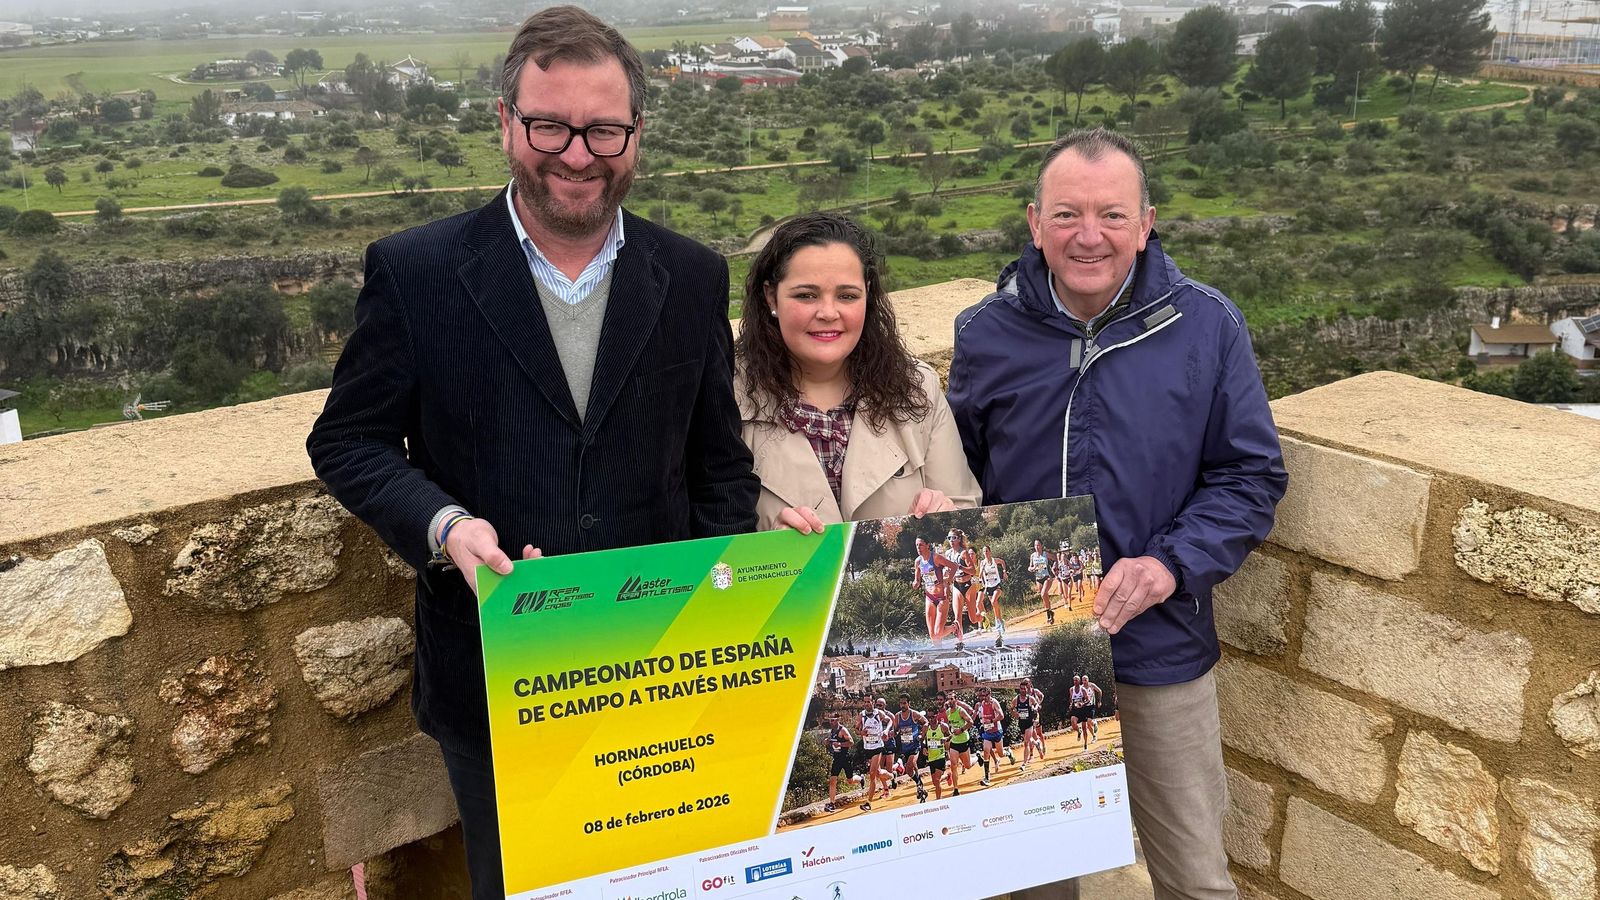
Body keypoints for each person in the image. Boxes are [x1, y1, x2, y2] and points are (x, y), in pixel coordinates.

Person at [304, 9, 760, 896]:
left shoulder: (693, 274)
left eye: (604, 129)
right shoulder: (418, 271)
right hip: (494, 671)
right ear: (506, 123)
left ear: (636, 133)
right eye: (550, 125)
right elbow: (349, 439)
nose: (578, 154)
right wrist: (447, 527)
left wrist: (716, 608)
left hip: (660, 666)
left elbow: (718, 464)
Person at [948, 128, 1287, 900]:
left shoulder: (1206, 326)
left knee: (1195, 876)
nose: (1088, 236)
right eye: (1067, 214)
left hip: (1160, 646)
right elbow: (961, 475)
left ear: (1146, 222)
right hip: (1033, 646)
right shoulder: (986, 332)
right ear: (1033, 223)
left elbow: (1249, 474)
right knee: (1034, 880)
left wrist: (1171, 564)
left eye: (1111, 214)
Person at [732, 212, 980, 534]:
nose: (828, 313)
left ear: (868, 296)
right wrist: (768, 552)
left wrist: (947, 515)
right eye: (806, 295)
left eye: (847, 296)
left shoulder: (917, 388)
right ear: (771, 297)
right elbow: (707, 546)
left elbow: (964, 507)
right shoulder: (728, 396)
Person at [912, 537, 959, 645]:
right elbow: (917, 580)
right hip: (929, 597)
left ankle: (954, 627)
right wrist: (915, 584)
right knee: (933, 636)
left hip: (942, 597)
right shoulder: (918, 561)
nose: (918, 547)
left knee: (938, 633)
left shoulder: (936, 558)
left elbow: (954, 566)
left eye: (921, 545)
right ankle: (939, 654)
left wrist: (948, 581)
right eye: (917, 545)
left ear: (927, 545)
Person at [893, 694, 931, 803]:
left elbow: (926, 722)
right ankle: (920, 787)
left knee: (909, 767)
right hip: (905, 747)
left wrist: (922, 736)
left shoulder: (914, 714)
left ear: (909, 703)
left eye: (905, 703)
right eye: (901, 703)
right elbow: (895, 731)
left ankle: (919, 783)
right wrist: (892, 733)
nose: (902, 705)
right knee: (912, 769)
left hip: (915, 746)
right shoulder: (897, 716)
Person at [823, 712, 855, 813]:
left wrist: (840, 744)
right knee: (832, 780)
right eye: (829, 720)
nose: (831, 722)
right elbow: (833, 740)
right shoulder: (832, 730)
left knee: (850, 781)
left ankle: (861, 779)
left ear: (837, 720)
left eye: (832, 720)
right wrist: (828, 741)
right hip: (837, 758)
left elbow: (851, 742)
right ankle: (832, 804)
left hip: (845, 758)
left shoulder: (843, 730)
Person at [977, 545, 1008, 646]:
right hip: (989, 586)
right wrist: (981, 577)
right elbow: (980, 573)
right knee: (995, 605)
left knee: (994, 601)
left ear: (990, 552)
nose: (985, 553)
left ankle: (998, 623)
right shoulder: (982, 563)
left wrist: (1004, 572)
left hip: (997, 584)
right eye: (984, 551)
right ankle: (1000, 621)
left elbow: (1002, 562)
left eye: (986, 551)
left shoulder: (995, 560)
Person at [1015, 679, 1045, 769]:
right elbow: (1012, 708)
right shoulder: (1017, 698)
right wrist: (1016, 714)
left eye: (1027, 684)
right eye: (1023, 686)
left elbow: (1040, 698)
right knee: (1031, 737)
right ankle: (1037, 744)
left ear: (1030, 684)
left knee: (1030, 738)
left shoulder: (1033, 692)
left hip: (1033, 717)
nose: (1025, 686)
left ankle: (1027, 759)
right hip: (1022, 721)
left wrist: (1037, 706)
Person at [1028, 539, 1055, 625]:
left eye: (1038, 545)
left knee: (1043, 594)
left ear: (1041, 545)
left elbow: (1055, 558)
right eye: (1035, 545)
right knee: (1044, 596)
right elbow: (1030, 567)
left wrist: (1055, 566)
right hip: (1038, 578)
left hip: (1046, 577)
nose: (1037, 547)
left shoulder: (1045, 554)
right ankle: (1050, 613)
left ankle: (1049, 614)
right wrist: (1032, 569)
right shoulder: (1032, 556)